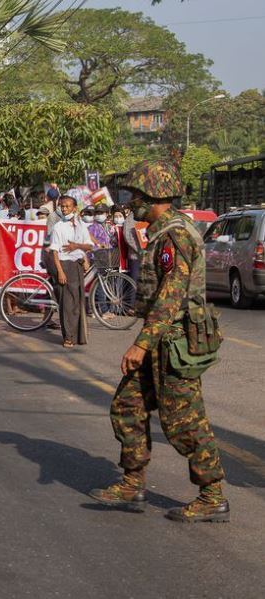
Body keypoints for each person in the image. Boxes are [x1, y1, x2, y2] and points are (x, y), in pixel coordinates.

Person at [88, 160, 229, 523]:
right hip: (160, 339)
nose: (131, 201)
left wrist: (141, 344)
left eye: (136, 194)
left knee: (184, 422)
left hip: (175, 343)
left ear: (152, 196)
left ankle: (212, 495)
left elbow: (172, 295)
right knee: (127, 405)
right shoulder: (162, 231)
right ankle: (132, 485)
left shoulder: (174, 235)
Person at [50, 196, 93, 348]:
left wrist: (79, 250)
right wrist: (60, 272)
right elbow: (54, 251)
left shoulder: (81, 226)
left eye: (67, 206)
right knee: (67, 304)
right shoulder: (58, 227)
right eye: (62, 206)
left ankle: (78, 335)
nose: (64, 209)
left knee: (77, 302)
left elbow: (89, 246)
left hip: (77, 265)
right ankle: (68, 336)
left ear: (75, 208)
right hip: (64, 265)